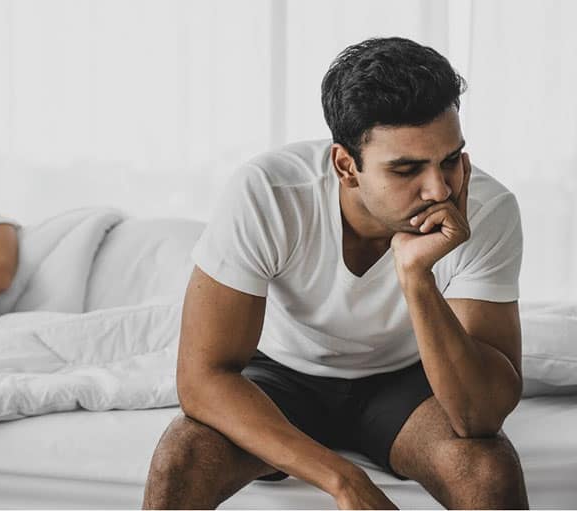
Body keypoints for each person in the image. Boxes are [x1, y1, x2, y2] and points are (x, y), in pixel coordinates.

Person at [142, 37, 528, 509]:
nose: (439, 189)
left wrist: (415, 275)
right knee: (179, 459)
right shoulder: (269, 192)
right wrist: (343, 480)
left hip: (404, 384)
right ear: (346, 166)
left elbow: (479, 417)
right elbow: (201, 379)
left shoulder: (489, 209)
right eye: (406, 169)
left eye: (450, 160)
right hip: (283, 378)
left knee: (488, 472)